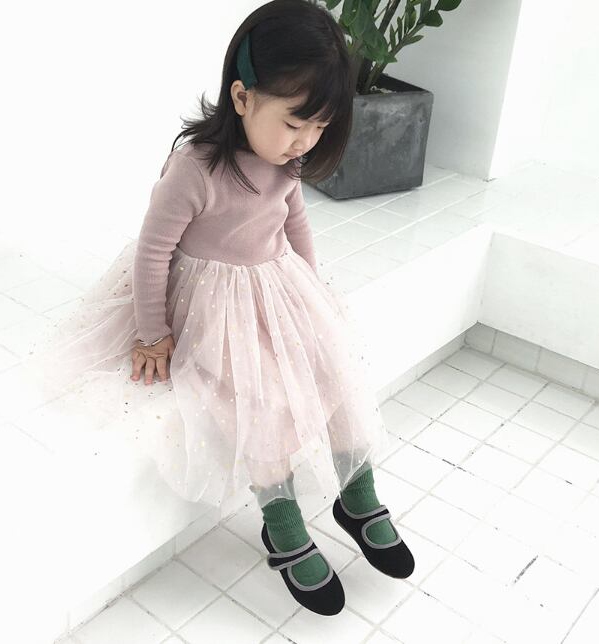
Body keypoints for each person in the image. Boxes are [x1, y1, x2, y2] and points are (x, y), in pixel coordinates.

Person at [24, 0, 414, 616]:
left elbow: (294, 222)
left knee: (333, 370)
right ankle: (281, 519)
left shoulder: (287, 162)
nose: (305, 141)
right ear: (241, 97)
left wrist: (312, 290)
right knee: (261, 399)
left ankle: (356, 491)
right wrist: (152, 332)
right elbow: (153, 251)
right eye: (295, 122)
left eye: (320, 127)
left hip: (274, 284)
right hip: (210, 303)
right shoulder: (196, 169)